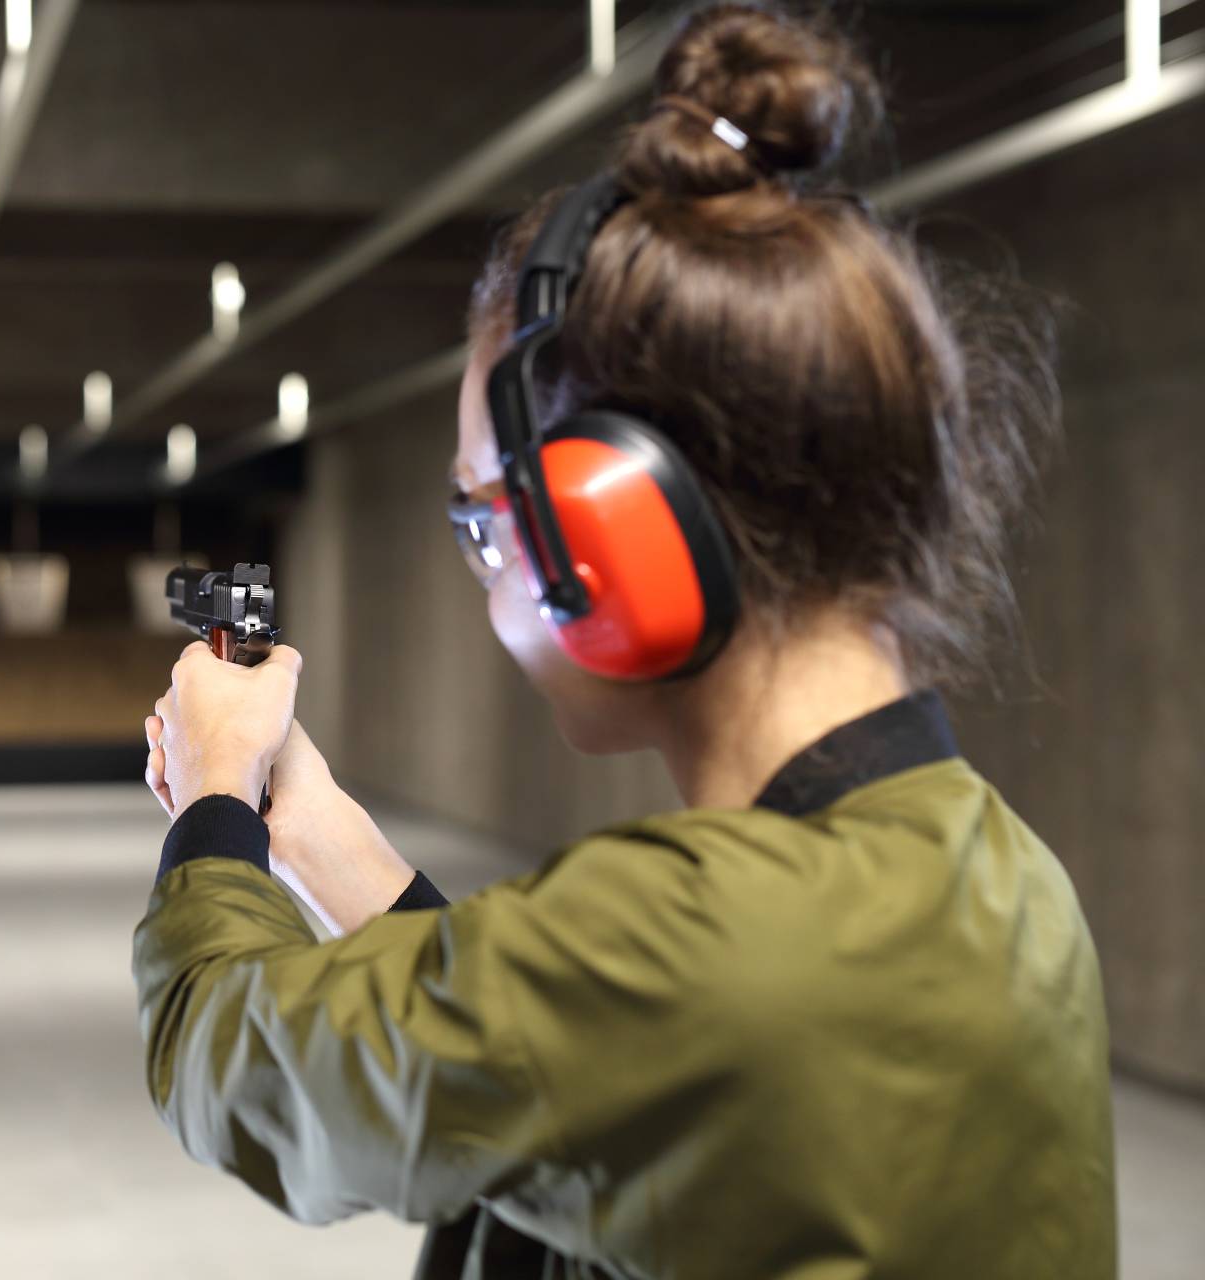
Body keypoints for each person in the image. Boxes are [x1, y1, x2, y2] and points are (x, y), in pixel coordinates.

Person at [133, 5, 1115, 1277]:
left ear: (608, 523)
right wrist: (312, 830)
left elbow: (236, 1065)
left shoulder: (691, 947)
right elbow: (563, 1067)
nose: (489, 567)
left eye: (486, 516)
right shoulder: (993, 873)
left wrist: (213, 798)